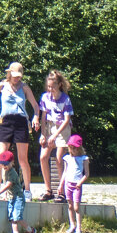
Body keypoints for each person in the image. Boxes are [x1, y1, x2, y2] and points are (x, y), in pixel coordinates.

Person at [0, 62, 40, 196]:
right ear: (9, 73)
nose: (16, 78)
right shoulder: (3, 85)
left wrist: (36, 117)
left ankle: (27, 190)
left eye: (18, 76)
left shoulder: (25, 87)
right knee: (1, 157)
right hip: (5, 121)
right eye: (14, 76)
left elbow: (35, 106)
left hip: (20, 122)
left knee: (22, 158)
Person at [36, 70, 75, 201]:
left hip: (62, 129)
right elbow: (43, 117)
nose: (50, 89)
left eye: (52, 86)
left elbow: (66, 120)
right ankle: (48, 190)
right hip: (49, 127)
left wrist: (55, 135)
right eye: (48, 86)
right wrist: (43, 134)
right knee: (43, 157)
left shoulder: (65, 99)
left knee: (59, 158)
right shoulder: (45, 97)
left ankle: (62, 191)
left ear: (59, 85)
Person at [0, 150, 37, 233]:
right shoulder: (5, 172)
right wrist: (6, 195)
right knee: (12, 218)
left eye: (6, 164)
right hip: (11, 198)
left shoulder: (13, 173)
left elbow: (8, 185)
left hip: (18, 198)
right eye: (2, 164)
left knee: (17, 217)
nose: (4, 166)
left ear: (12, 162)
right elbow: (7, 186)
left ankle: (31, 231)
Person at [60, 134, 90, 233]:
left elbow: (86, 174)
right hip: (68, 184)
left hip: (77, 185)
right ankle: (72, 225)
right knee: (70, 205)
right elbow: (65, 172)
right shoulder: (67, 158)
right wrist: (61, 185)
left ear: (79, 148)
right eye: (71, 148)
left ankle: (79, 228)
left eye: (75, 148)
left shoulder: (84, 159)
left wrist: (80, 182)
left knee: (76, 207)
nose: (73, 150)